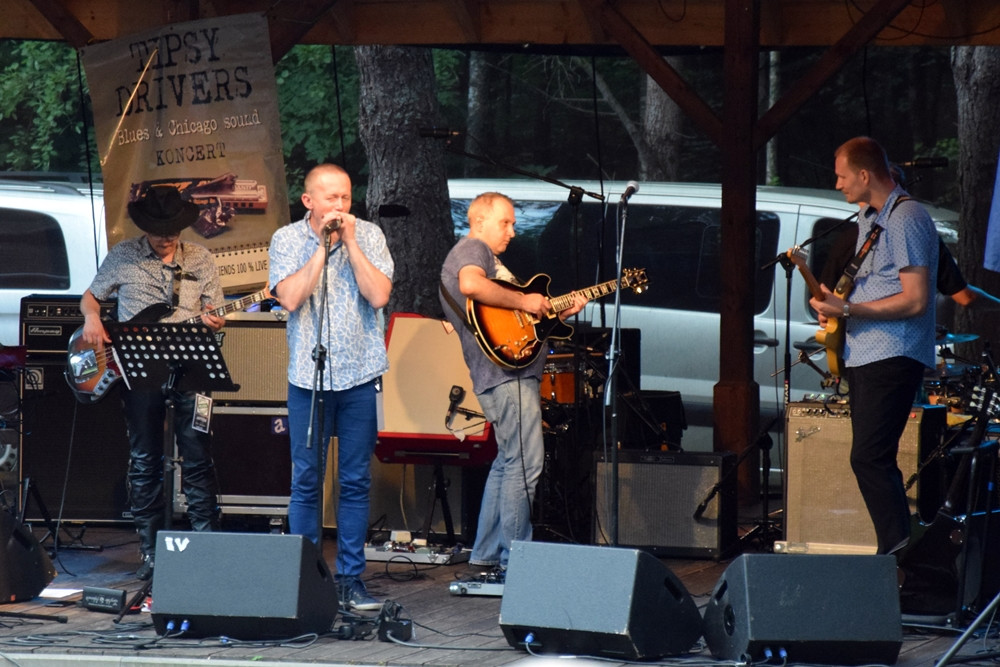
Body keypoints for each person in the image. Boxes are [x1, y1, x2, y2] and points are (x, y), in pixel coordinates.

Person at [80, 184, 225, 580]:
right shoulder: (123, 255)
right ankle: (151, 552)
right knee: (145, 459)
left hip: (192, 367)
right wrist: (92, 317)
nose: (167, 237)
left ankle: (203, 548)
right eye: (161, 229)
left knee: (197, 455)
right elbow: (90, 298)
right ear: (146, 227)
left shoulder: (201, 257)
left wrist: (215, 318)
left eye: (174, 230)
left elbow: (214, 308)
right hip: (139, 368)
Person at [439, 192, 588, 578]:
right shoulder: (472, 250)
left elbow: (516, 317)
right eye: (505, 222)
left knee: (508, 463)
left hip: (503, 375)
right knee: (526, 463)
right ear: (480, 221)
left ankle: (488, 553)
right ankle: (516, 562)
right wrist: (525, 303)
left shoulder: (492, 263)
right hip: (505, 376)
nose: (512, 231)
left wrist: (554, 309)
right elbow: (471, 285)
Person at [268, 164, 393, 612]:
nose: (340, 206)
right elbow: (290, 298)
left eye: (345, 197)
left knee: (356, 481)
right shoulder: (286, 239)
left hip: (361, 374)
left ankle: (350, 580)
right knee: (306, 481)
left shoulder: (371, 236)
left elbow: (378, 296)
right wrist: (322, 248)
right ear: (309, 202)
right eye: (330, 199)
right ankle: (305, 579)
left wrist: (352, 243)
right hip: (309, 377)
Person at [809, 137, 939, 555]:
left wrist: (848, 308)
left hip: (893, 353)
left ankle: (901, 557)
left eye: (842, 176)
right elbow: (871, 286)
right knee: (870, 458)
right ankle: (898, 554)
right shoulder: (871, 217)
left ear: (865, 175)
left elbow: (916, 299)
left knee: (870, 457)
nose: (837, 185)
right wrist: (835, 307)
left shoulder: (906, 218)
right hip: (865, 354)